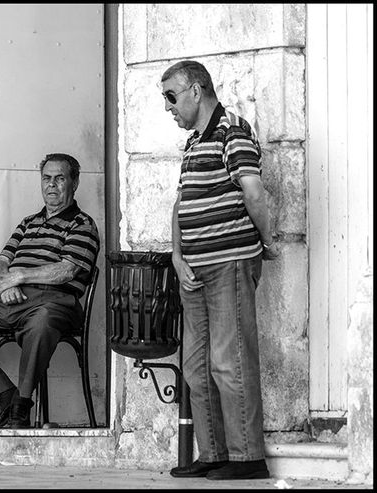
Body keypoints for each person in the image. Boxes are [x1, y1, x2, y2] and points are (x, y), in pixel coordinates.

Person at [161, 60, 281, 480]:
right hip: (193, 270)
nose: (168, 107)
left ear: (196, 90)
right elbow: (181, 205)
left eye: (171, 97)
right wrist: (177, 257)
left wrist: (266, 243)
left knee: (229, 363)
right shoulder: (194, 143)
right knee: (196, 368)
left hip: (228, 264)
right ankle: (213, 453)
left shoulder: (233, 130)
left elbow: (253, 190)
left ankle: (247, 457)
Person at [0, 153, 100, 428]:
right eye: (46, 178)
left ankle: (21, 408)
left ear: (74, 183)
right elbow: (2, 261)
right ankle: (5, 395)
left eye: (60, 178)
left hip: (55, 302)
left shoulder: (82, 224)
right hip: (9, 301)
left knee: (41, 325)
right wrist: (3, 285)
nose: (52, 185)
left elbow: (67, 270)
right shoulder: (28, 223)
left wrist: (20, 276)